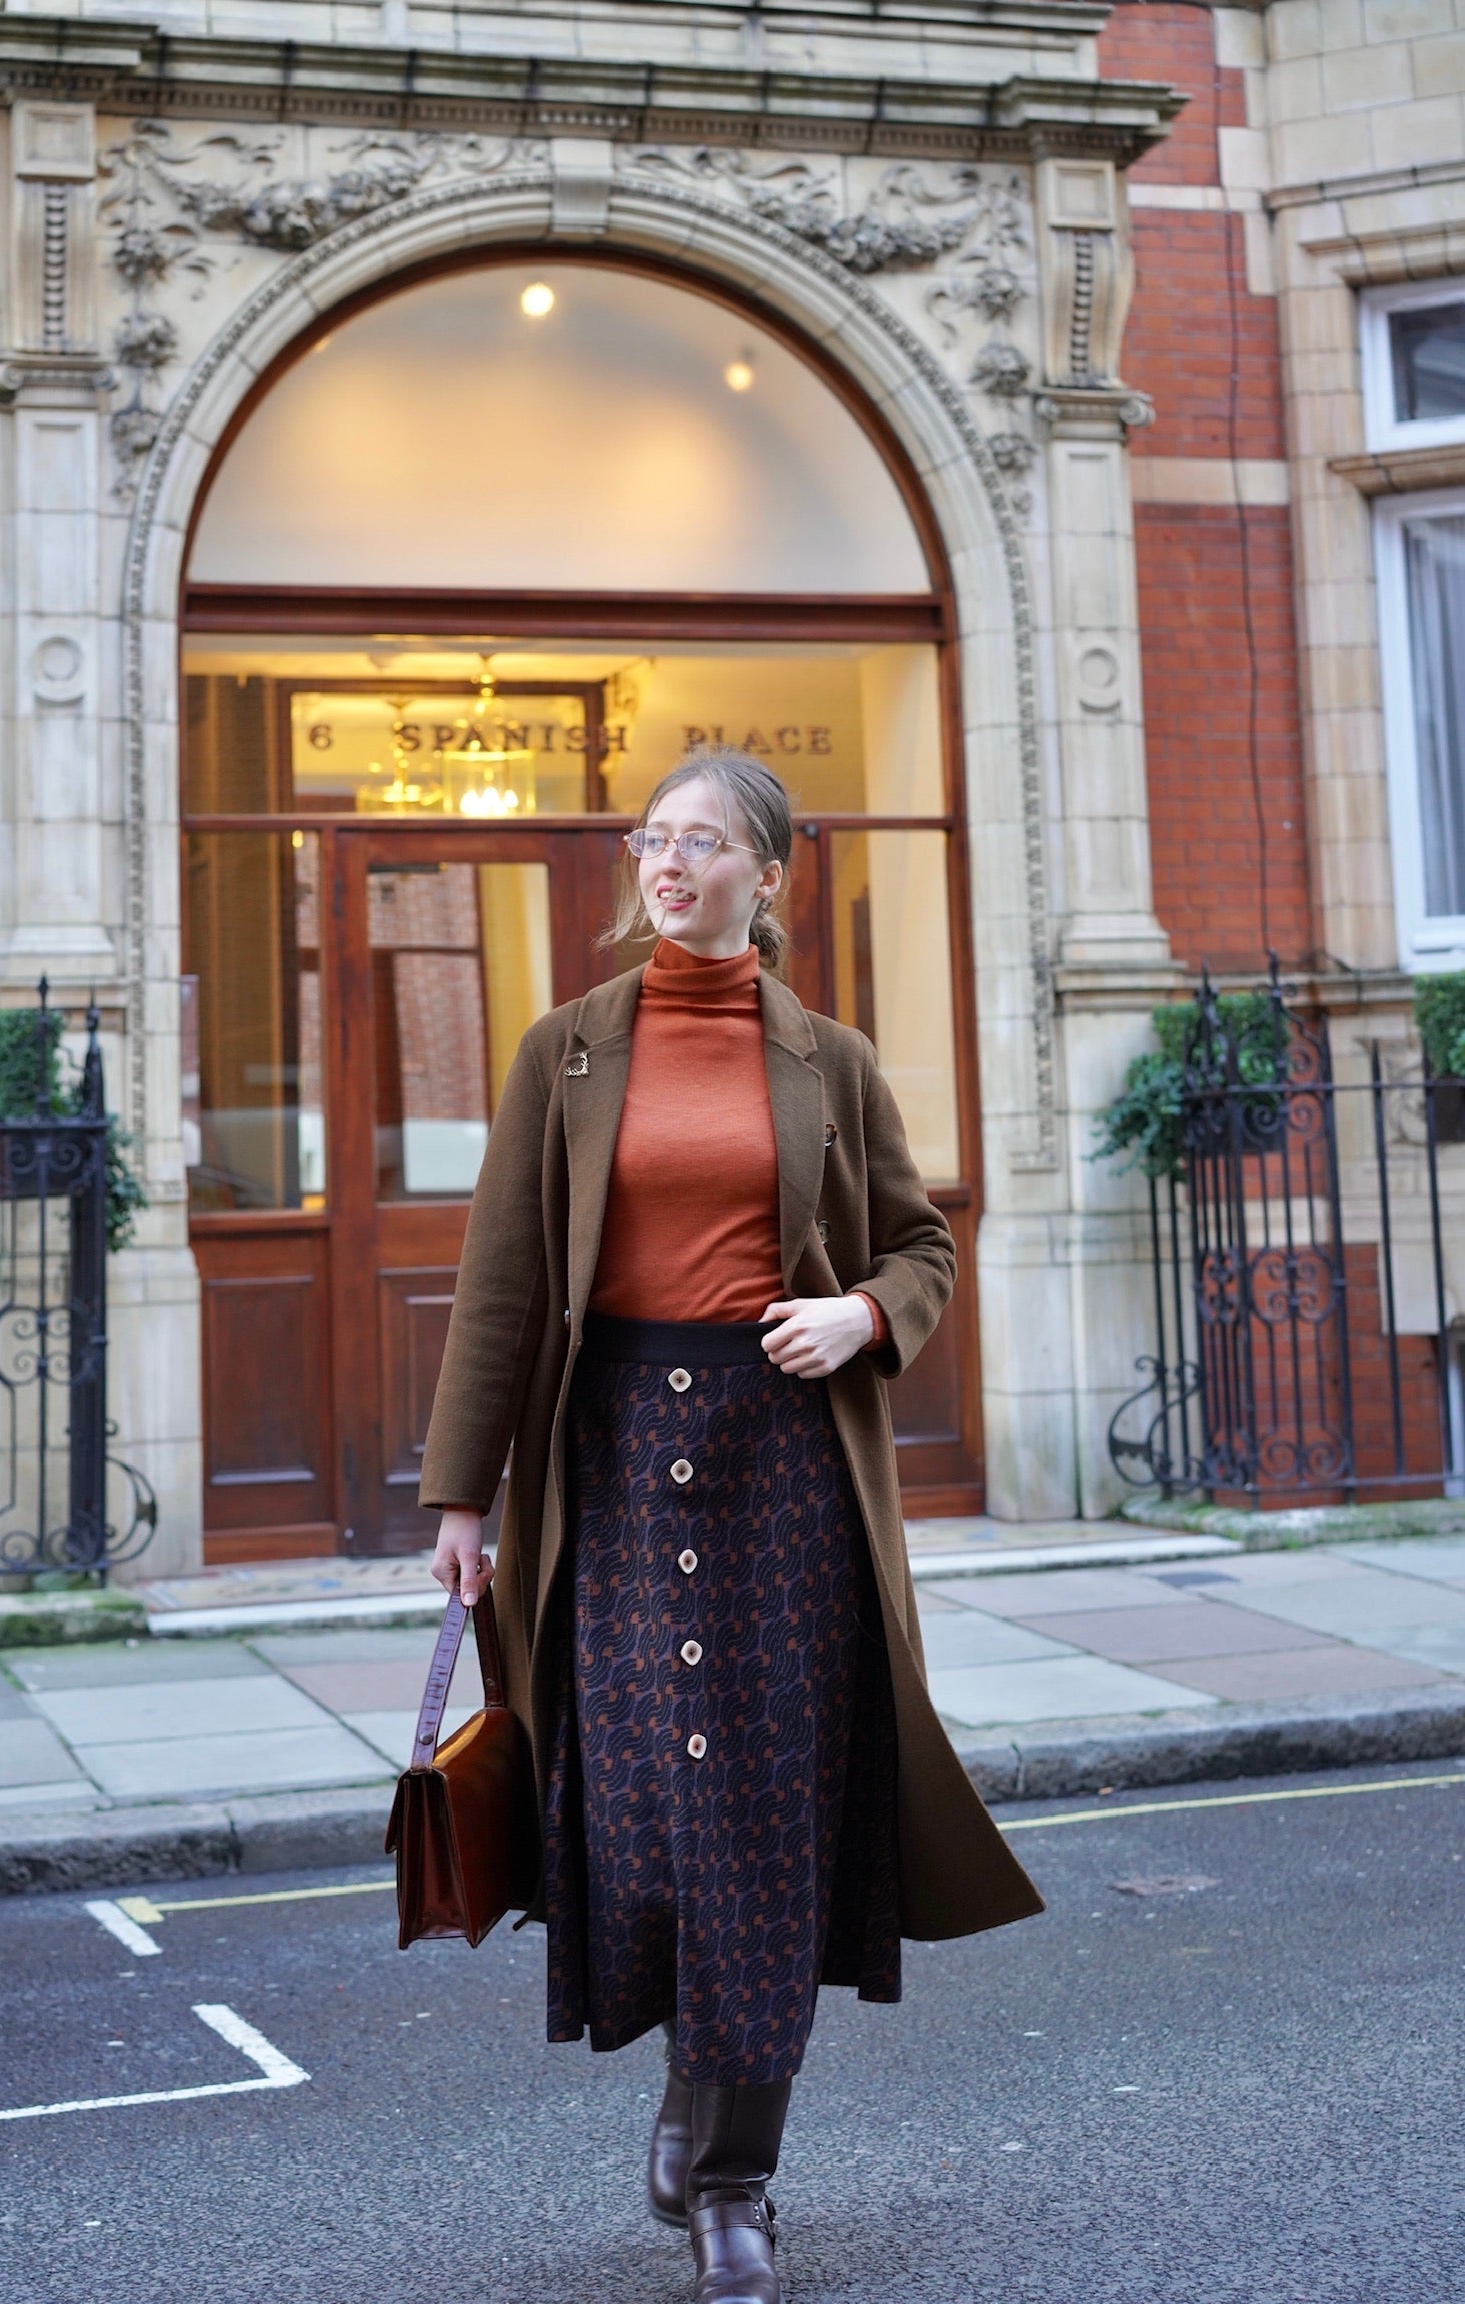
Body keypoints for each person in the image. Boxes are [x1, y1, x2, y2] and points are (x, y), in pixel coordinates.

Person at [423, 748, 1042, 2304]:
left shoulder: (829, 1057)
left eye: (702, 842)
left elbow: (921, 1244)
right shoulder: (563, 1051)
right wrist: (456, 1498)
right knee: (635, 1809)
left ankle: (734, 2179)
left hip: (784, 1467)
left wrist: (861, 1317)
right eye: (654, 838)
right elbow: (503, 1283)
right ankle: (693, 2083)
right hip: (616, 1457)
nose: (668, 862)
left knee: (765, 1817)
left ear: (772, 874)